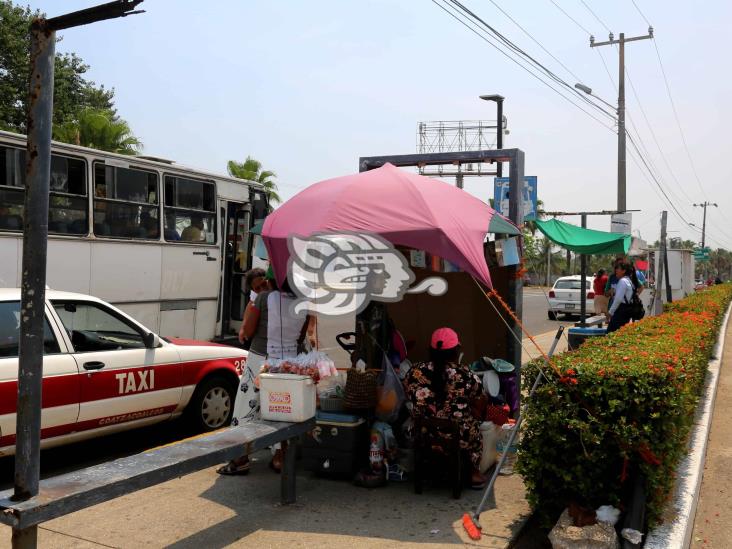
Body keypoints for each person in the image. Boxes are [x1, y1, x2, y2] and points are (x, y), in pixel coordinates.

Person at [218, 267, 314, 475]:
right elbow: (300, 337)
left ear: (272, 281)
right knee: (282, 407)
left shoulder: (262, 299)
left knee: (247, 407)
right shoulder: (303, 303)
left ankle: (240, 458)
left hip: (260, 361)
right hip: (290, 362)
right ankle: (280, 458)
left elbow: (249, 331)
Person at [404, 327, 487, 489]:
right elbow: (480, 399)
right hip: (459, 437)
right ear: (456, 351)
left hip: (422, 433)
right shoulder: (465, 374)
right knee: (475, 424)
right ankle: (473, 473)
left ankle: (428, 470)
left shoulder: (415, 371)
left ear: (431, 350)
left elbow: (407, 393)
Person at [606, 261, 635, 333]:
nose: (616, 270)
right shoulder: (629, 281)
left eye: (618, 268)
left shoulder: (622, 281)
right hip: (626, 311)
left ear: (623, 271)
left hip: (621, 311)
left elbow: (618, 299)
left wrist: (610, 312)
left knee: (610, 333)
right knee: (620, 333)